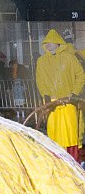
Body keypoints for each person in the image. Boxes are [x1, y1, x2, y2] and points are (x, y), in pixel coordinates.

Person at [35, 29, 85, 161]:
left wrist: (73, 93)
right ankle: (56, 162)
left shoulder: (69, 58)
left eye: (51, 42)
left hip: (68, 104)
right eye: (46, 43)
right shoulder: (41, 61)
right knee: (54, 132)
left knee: (70, 133)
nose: (48, 45)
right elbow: (40, 80)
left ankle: (73, 162)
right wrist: (46, 96)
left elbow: (80, 76)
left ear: (58, 43)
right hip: (52, 105)